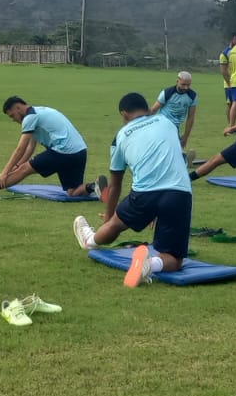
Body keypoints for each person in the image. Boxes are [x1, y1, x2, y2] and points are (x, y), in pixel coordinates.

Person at [70, 91, 194, 288]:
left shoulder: (120, 136)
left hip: (144, 194)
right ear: (146, 109)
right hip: (178, 193)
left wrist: (110, 217)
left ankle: (91, 240)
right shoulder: (167, 122)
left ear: (124, 114)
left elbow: (116, 184)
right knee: (174, 259)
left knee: (116, 225)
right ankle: (150, 264)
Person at [0, 97, 97, 198]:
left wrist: (5, 172)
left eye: (12, 115)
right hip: (80, 153)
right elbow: (30, 147)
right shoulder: (39, 111)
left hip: (63, 152)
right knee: (72, 192)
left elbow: (20, 148)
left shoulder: (30, 117)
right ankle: (94, 186)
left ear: (18, 108)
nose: (13, 120)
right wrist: (18, 165)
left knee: (25, 170)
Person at [151, 72, 198, 151]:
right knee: (171, 146)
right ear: (177, 81)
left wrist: (186, 137)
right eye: (183, 84)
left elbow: (191, 117)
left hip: (175, 125)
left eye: (188, 85)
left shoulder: (192, 96)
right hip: (162, 122)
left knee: (174, 146)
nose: (186, 87)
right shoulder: (167, 93)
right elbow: (153, 110)